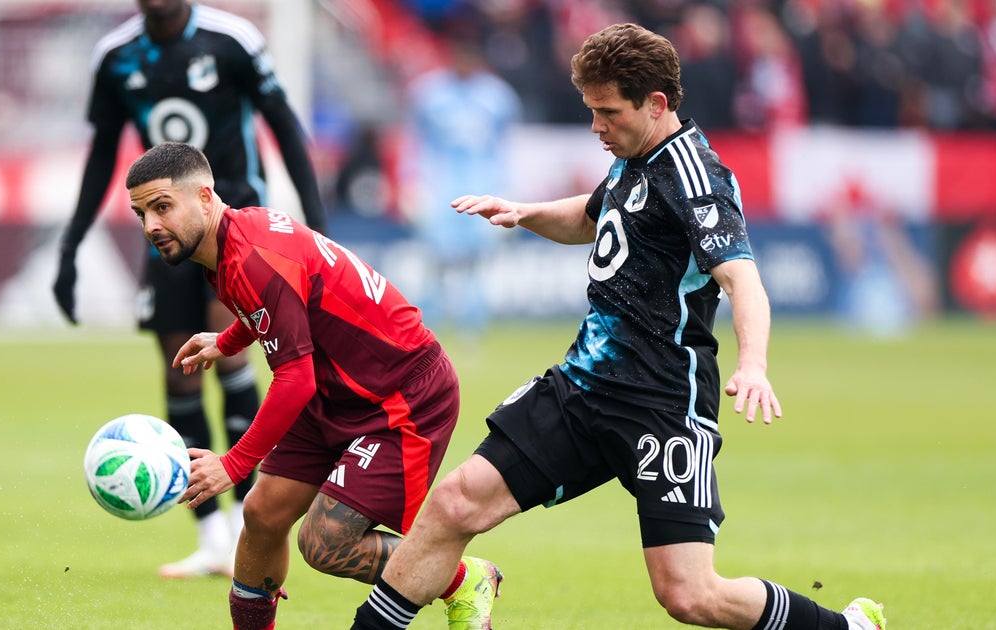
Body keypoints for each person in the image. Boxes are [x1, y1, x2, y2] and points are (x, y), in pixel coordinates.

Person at [351, 23, 888, 630]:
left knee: (689, 595)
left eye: (608, 112)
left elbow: (743, 280)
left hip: (661, 402)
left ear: (655, 104)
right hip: (582, 387)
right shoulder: (634, 158)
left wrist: (754, 365)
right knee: (454, 503)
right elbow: (590, 217)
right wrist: (525, 212)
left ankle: (846, 627)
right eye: (591, 110)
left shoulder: (696, 178)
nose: (596, 126)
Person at [125, 141, 502, 630]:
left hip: (401, 395)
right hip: (338, 389)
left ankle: (462, 579)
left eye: (162, 207)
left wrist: (234, 464)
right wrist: (228, 339)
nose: (151, 225)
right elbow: (284, 305)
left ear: (204, 196)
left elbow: (294, 377)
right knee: (262, 514)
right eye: (141, 214)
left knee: (326, 543)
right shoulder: (234, 238)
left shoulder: (252, 256)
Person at [52, 0, 326, 578]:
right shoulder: (116, 56)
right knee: (180, 370)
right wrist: (71, 244)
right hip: (167, 232)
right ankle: (211, 536)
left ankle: (248, 521)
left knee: (232, 362)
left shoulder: (232, 39)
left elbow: (283, 125)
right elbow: (103, 151)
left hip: (234, 225)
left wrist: (318, 222)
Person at [403, 12, 521, 339]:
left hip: (483, 187)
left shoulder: (498, 97)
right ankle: (427, 328)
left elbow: (505, 149)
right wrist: (411, 185)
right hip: (440, 188)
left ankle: (472, 329)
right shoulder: (428, 93)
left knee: (477, 262)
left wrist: (508, 189)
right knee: (435, 260)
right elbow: (415, 142)